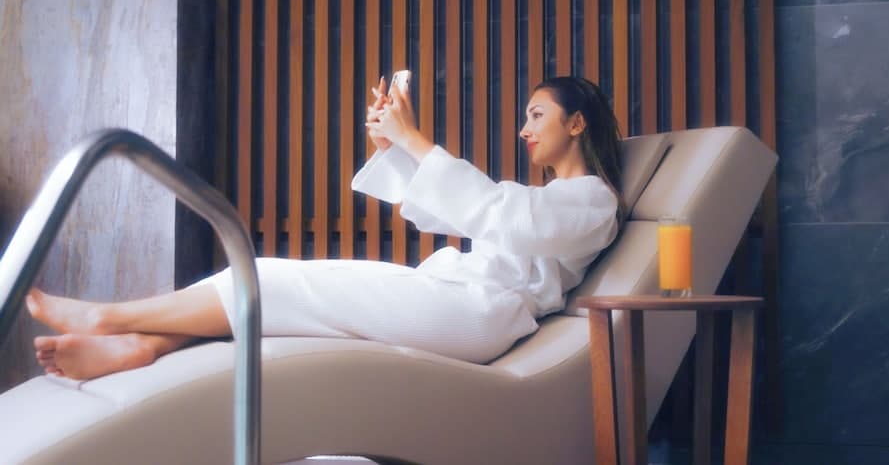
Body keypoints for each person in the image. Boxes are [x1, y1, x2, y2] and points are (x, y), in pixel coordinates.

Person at [25, 74, 624, 380]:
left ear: (576, 124)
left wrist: (416, 140)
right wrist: (396, 146)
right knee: (276, 300)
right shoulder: (547, 200)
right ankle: (143, 343)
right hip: (454, 297)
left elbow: (495, 213)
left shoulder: (593, 201)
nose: (524, 128)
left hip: (477, 313)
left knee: (265, 278)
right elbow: (461, 212)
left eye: (537, 114)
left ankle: (109, 317)